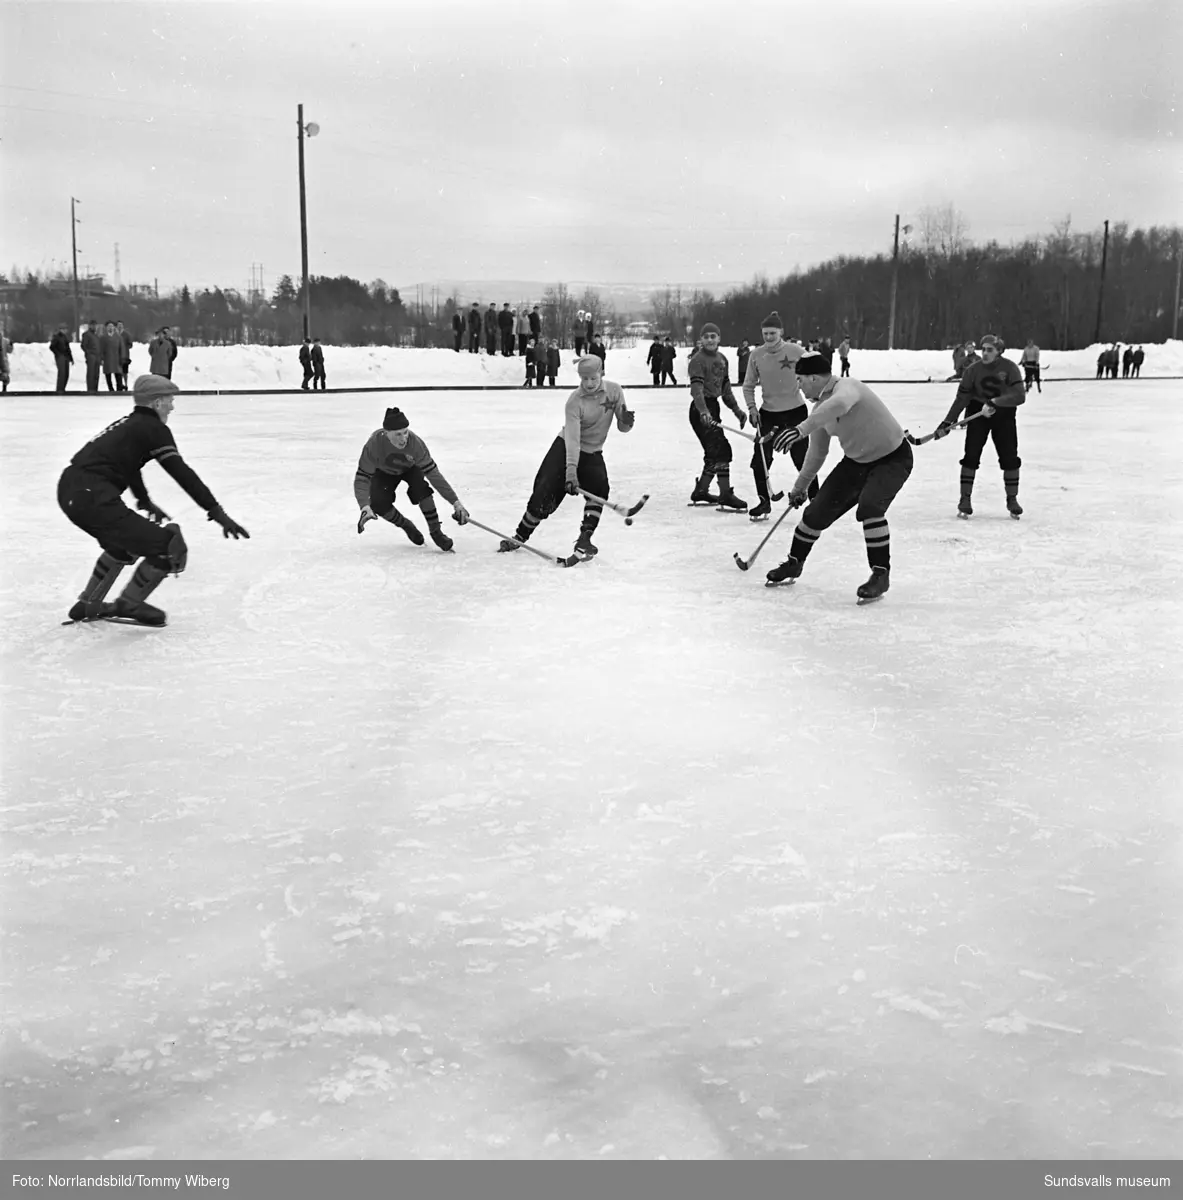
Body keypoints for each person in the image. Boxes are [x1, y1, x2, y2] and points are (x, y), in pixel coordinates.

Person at [57, 373, 250, 626]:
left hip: (71, 492)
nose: (172, 406)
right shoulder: (155, 429)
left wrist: (144, 500)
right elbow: (181, 473)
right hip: (93, 497)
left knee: (124, 544)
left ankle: (89, 603)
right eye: (169, 400)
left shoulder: (129, 424)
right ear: (157, 402)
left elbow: (128, 465)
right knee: (169, 546)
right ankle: (130, 603)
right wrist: (216, 511)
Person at [764, 353, 913, 603]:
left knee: (870, 506)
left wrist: (800, 429)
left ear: (813, 377)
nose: (798, 386)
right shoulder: (818, 411)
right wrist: (800, 487)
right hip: (855, 464)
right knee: (814, 514)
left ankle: (880, 574)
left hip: (892, 459)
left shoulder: (847, 387)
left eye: (800, 380)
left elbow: (840, 405)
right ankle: (794, 563)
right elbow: (816, 454)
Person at [498, 355, 634, 561]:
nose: (588, 383)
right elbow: (573, 439)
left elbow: (623, 428)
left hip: (593, 451)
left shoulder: (615, 391)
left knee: (600, 488)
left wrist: (626, 422)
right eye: (584, 378)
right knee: (543, 494)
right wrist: (571, 471)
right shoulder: (575, 401)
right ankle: (519, 536)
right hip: (566, 448)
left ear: (602, 373)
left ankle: (584, 540)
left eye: (593, 378)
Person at [934, 333, 1025, 519]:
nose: (984, 353)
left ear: (999, 351)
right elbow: (962, 398)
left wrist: (996, 402)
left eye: (989, 350)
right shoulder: (972, 371)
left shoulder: (1010, 368)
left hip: (1004, 415)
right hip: (978, 413)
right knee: (971, 456)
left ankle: (1012, 499)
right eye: (983, 349)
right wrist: (948, 422)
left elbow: (1019, 396)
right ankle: (964, 499)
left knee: (1009, 457)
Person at [354, 407, 470, 551]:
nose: (403, 439)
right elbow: (362, 478)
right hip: (384, 472)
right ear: (386, 433)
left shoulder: (415, 444)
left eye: (405, 432)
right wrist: (364, 506)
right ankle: (406, 525)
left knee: (421, 489)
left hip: (410, 468)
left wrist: (456, 502)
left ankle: (436, 532)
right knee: (378, 503)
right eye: (398, 434)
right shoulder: (374, 445)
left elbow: (434, 475)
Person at [741, 311, 816, 520]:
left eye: (772, 333)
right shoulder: (756, 355)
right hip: (768, 415)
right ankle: (764, 501)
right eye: (765, 333)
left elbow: (818, 369)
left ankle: (817, 501)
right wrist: (752, 409)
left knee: (802, 459)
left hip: (795, 413)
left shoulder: (795, 351)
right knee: (760, 461)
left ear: (781, 332)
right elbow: (748, 386)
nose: (768, 337)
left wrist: (817, 392)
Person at [688, 322, 747, 510]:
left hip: (713, 406)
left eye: (713, 336)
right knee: (722, 450)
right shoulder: (697, 360)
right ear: (701, 340)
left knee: (713, 452)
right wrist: (704, 411)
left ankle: (701, 491)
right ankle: (724, 494)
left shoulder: (722, 359)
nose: (710, 340)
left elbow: (726, 391)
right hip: (700, 409)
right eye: (706, 337)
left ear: (719, 338)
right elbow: (696, 391)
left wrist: (737, 411)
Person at [99, 321, 123, 391]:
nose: (110, 328)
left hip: (116, 358)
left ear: (114, 327)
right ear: (106, 328)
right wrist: (101, 359)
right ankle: (111, 389)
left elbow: (121, 348)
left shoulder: (118, 337)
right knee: (108, 374)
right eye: (109, 326)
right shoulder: (103, 337)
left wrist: (122, 358)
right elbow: (101, 349)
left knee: (118, 373)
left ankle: (119, 389)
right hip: (107, 358)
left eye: (112, 326)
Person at [50, 326, 74, 393]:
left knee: (66, 373)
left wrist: (71, 358)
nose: (64, 330)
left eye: (65, 329)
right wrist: (58, 354)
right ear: (60, 330)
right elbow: (52, 347)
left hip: (66, 357)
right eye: (63, 329)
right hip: (60, 357)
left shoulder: (65, 337)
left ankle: (63, 388)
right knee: (62, 373)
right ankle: (59, 389)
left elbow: (68, 348)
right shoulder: (56, 337)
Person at [81, 319, 102, 392]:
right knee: (91, 373)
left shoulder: (96, 336)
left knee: (96, 374)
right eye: (93, 325)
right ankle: (90, 389)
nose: (94, 327)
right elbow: (83, 345)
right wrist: (89, 353)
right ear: (90, 326)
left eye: (95, 325)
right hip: (91, 356)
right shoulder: (86, 334)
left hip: (97, 356)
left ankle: (95, 389)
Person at [116, 320, 133, 389]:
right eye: (118, 325)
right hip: (116, 355)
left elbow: (130, 345)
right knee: (118, 371)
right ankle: (119, 384)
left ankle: (126, 384)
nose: (120, 326)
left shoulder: (126, 334)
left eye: (121, 325)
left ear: (123, 326)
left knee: (125, 371)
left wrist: (124, 347)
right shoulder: (115, 334)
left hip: (125, 355)